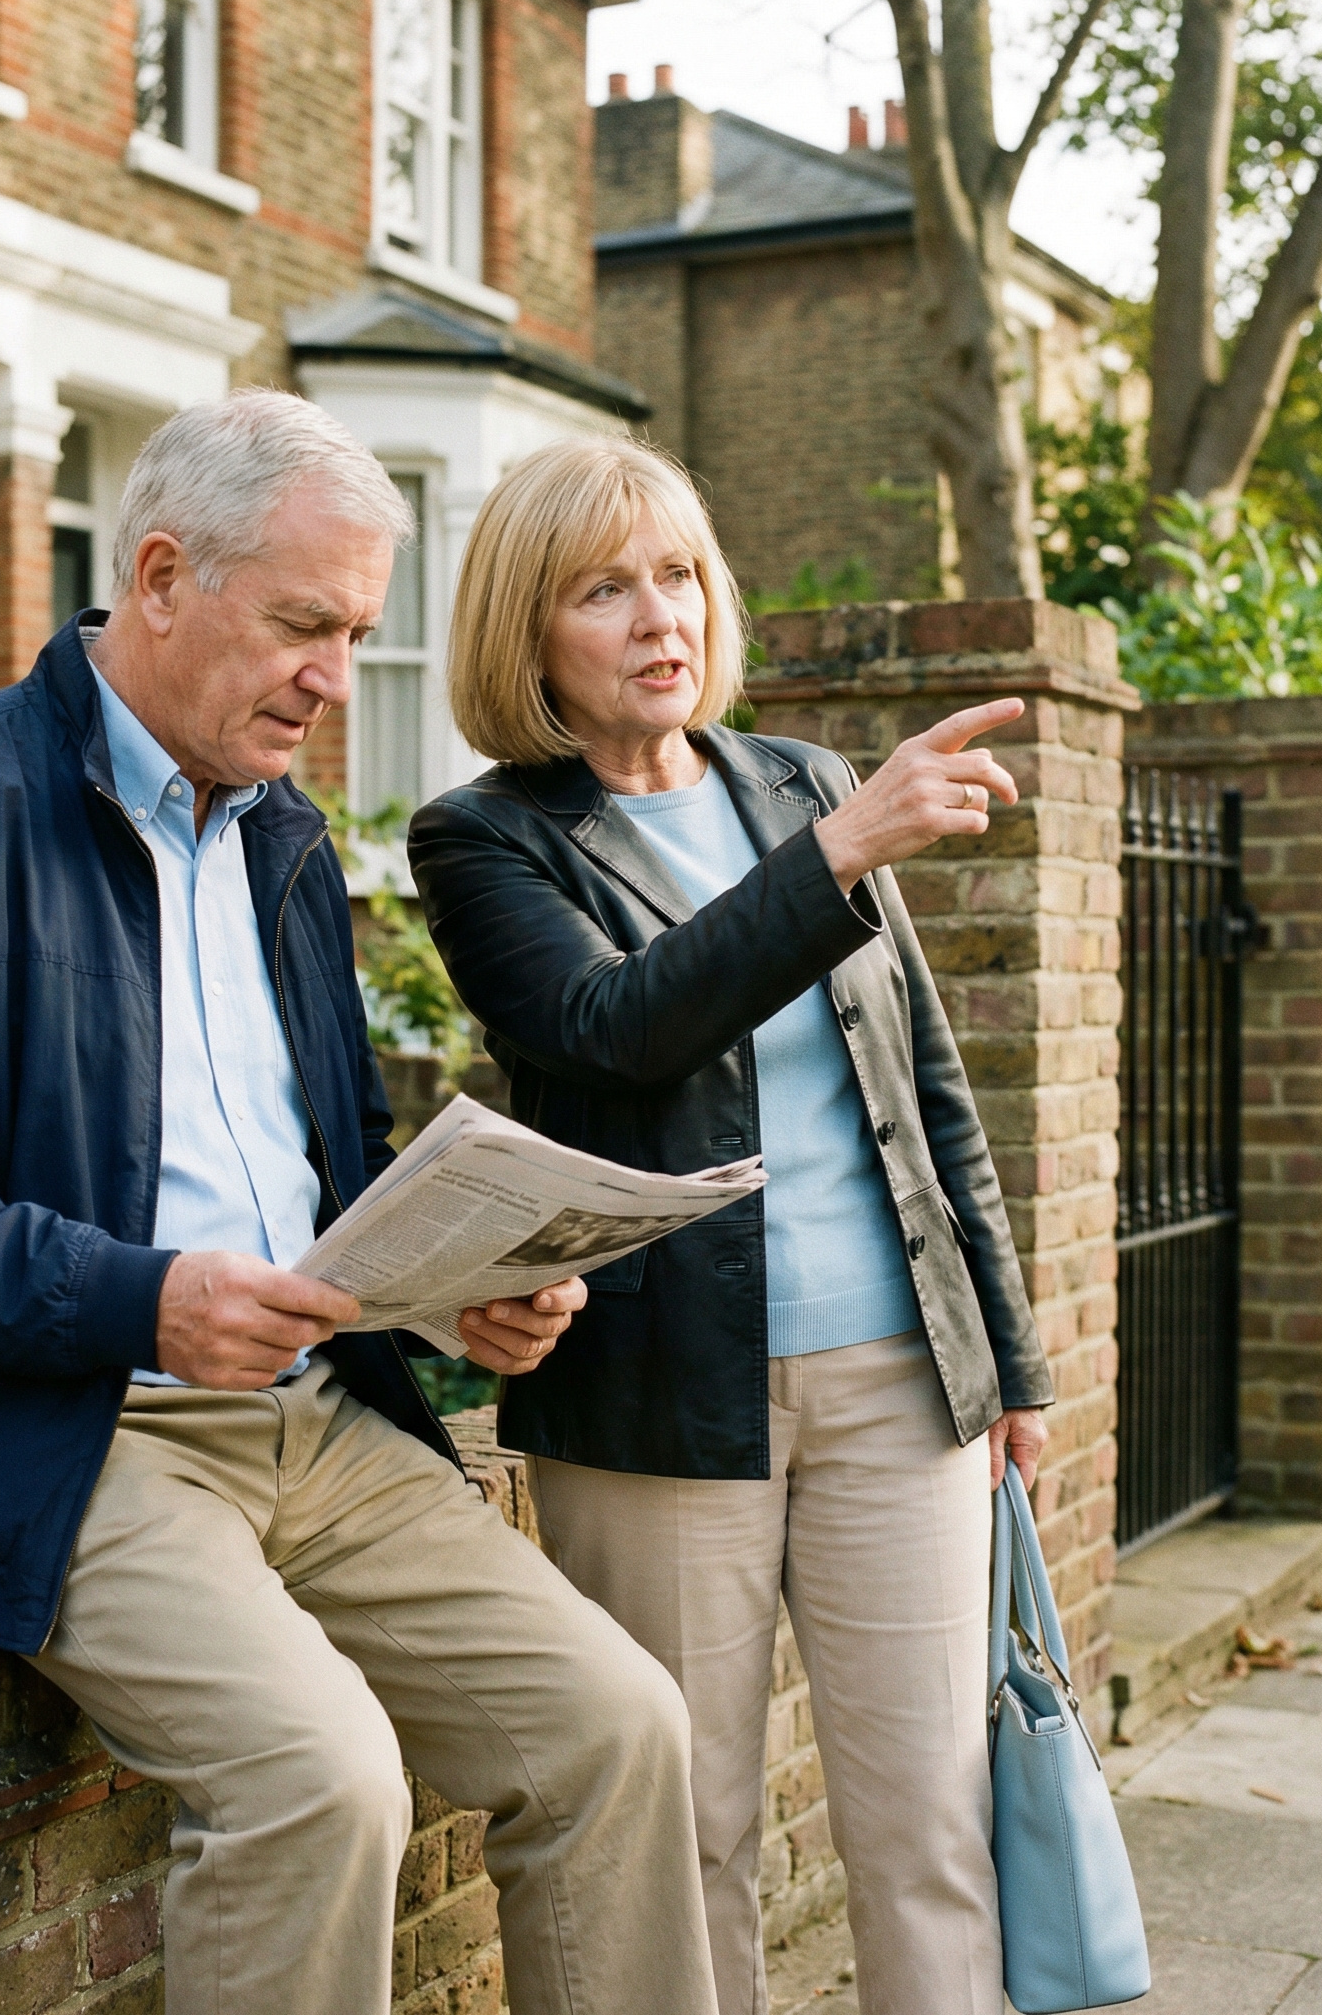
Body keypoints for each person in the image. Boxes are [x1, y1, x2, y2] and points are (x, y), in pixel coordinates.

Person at [0, 394, 718, 2015]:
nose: (335, 679)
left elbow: (328, 1164)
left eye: (356, 634)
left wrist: (448, 1294)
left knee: (623, 1731)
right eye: (302, 626)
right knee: (324, 1780)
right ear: (157, 577)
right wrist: (145, 1299)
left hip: (316, 1422)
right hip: (63, 1428)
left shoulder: (280, 839)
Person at [407, 437, 1056, 2015]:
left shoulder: (803, 784)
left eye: (681, 573)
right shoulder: (488, 838)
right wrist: (836, 859)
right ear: (526, 629)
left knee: (930, 1827)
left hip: (899, 1382)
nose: (659, 616)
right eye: (604, 588)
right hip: (653, 1400)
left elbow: (927, 1087)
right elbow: (610, 1027)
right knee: (680, 1841)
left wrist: (1008, 1358)